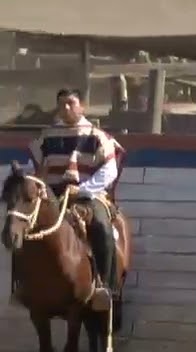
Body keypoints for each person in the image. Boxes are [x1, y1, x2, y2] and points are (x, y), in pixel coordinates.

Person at [19, 88, 122, 310]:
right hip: (51, 196)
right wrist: (35, 185)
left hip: (88, 196)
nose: (65, 108)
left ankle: (106, 287)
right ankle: (22, 286)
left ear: (82, 106)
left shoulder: (96, 135)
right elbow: (34, 167)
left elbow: (109, 170)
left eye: (70, 103)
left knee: (102, 227)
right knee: (22, 225)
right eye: (61, 104)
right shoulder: (47, 136)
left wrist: (83, 189)